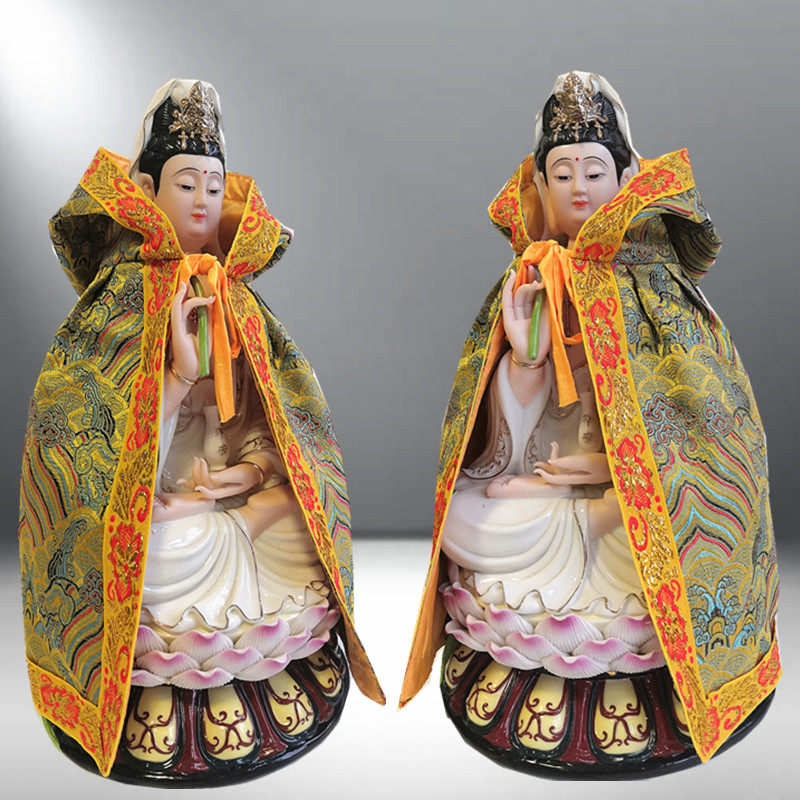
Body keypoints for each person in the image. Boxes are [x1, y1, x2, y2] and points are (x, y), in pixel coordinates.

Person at [401, 72, 780, 777]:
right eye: (563, 173)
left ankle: (627, 584)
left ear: (627, 178)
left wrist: (615, 475)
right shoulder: (529, 282)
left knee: (651, 540)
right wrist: (524, 361)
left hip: (628, 509)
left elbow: (699, 428)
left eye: (594, 171)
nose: (579, 189)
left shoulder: (659, 289)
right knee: (463, 516)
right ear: (539, 185)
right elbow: (499, 439)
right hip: (548, 489)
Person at [19, 79, 383, 784]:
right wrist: (180, 378)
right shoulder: (114, 307)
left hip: (223, 504)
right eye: (186, 184)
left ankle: (256, 640)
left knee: (297, 519)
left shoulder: (236, 301)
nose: (202, 201)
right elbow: (90, 453)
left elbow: (269, 427)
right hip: (161, 517)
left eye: (214, 186)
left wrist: (245, 475)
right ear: (147, 191)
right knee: (166, 549)